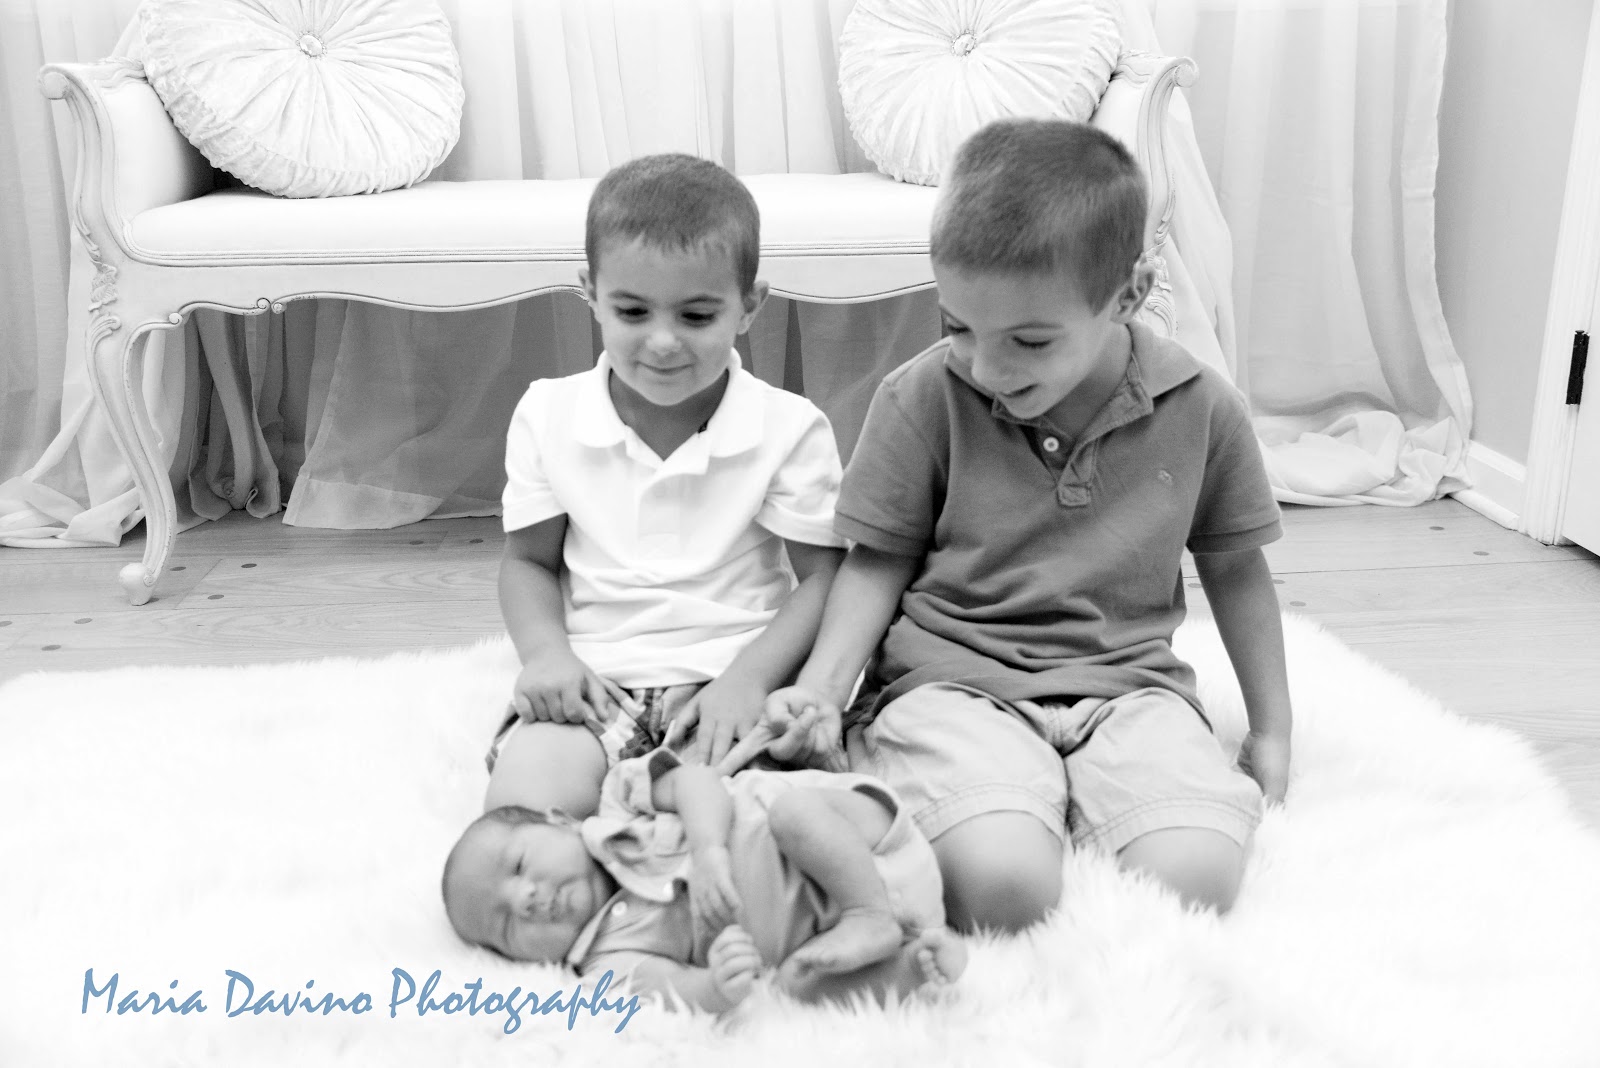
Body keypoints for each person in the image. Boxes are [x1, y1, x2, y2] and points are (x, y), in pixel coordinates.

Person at [759, 119, 1293, 933]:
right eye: (958, 327)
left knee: (1195, 882)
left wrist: (1273, 728)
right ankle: (995, 796)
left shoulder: (1204, 407)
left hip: (1130, 687)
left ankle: (1073, 792)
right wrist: (825, 691)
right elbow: (874, 563)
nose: (986, 367)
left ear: (1128, 296)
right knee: (1004, 888)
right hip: (952, 682)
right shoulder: (921, 397)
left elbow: (1236, 569)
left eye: (1030, 341)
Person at [486, 152, 847, 820]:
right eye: (632, 311)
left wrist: (750, 680)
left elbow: (825, 580)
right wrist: (547, 657)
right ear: (590, 293)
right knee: (523, 821)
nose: (661, 342)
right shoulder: (546, 413)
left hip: (732, 678)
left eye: (696, 317)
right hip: (595, 683)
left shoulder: (790, 426)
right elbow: (527, 562)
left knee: (772, 825)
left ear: (750, 306)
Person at [441, 748, 967, 1012]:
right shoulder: (606, 965)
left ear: (558, 819)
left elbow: (696, 782)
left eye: (518, 866)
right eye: (506, 925)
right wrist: (714, 987)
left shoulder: (619, 802)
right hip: (841, 933)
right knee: (790, 985)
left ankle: (868, 912)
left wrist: (709, 847)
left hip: (859, 842)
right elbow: (675, 991)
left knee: (793, 812)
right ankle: (912, 965)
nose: (526, 899)